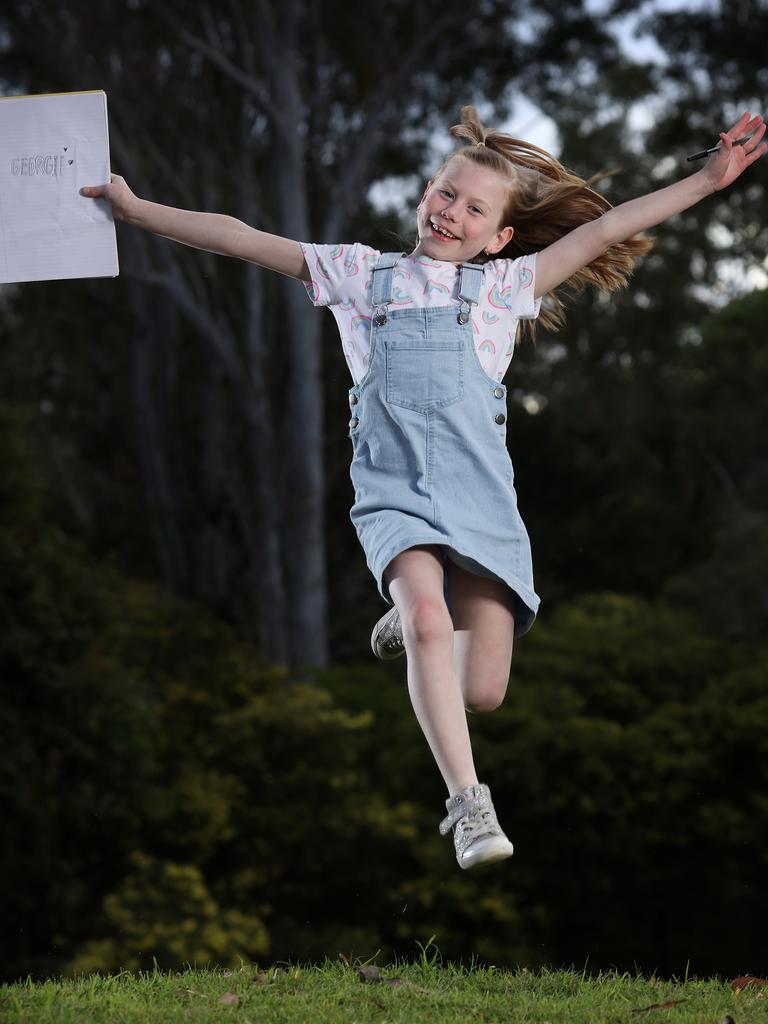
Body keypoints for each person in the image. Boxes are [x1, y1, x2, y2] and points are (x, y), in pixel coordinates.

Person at [81, 106, 766, 870]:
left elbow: (604, 232)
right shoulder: (359, 275)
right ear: (424, 196)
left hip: (482, 505)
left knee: (484, 691)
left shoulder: (504, 290)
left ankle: (406, 627)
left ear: (500, 236)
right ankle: (468, 805)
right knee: (435, 625)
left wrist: (707, 180)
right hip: (394, 495)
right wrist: (138, 210)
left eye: (476, 208)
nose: (453, 212)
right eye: (446, 193)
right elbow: (240, 237)